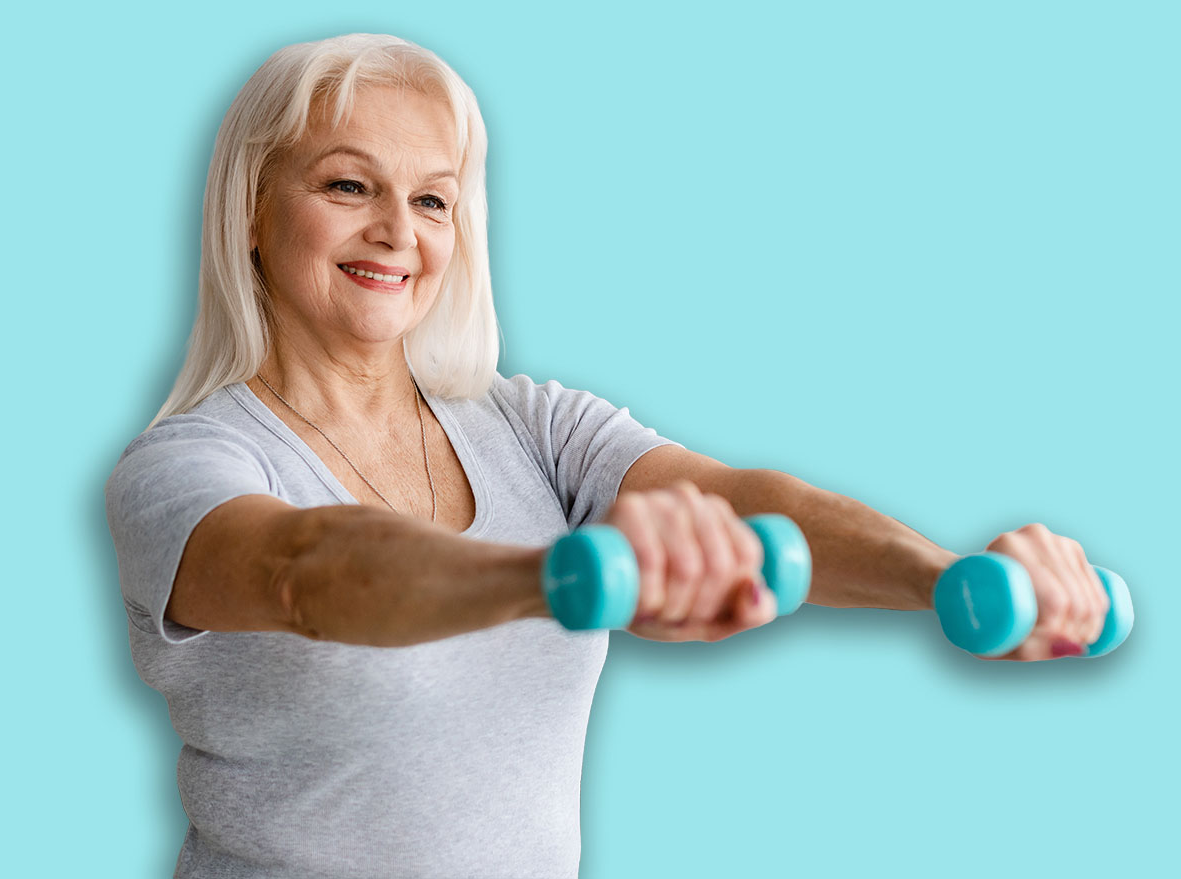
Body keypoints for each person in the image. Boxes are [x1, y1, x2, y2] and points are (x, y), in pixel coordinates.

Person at [104, 33, 1111, 879]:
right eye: (348, 184)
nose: (394, 232)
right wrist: (557, 579)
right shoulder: (184, 468)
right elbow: (306, 573)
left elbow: (746, 501)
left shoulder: (531, 427)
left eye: (432, 200)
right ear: (250, 209)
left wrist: (950, 583)